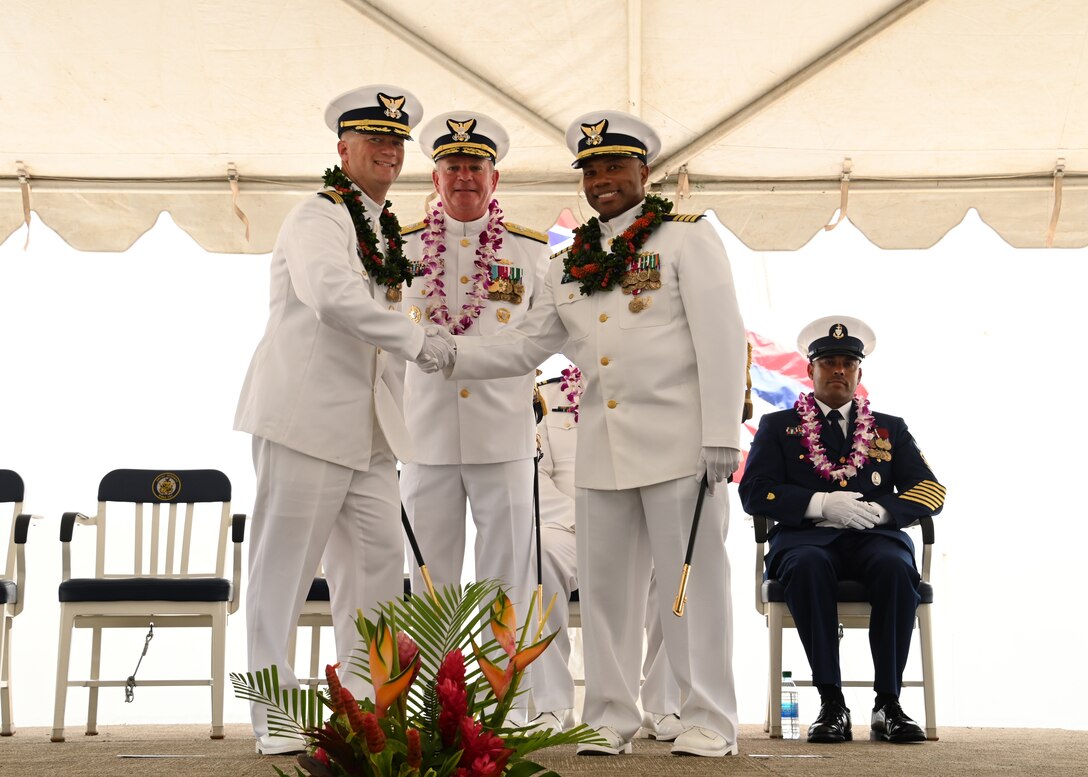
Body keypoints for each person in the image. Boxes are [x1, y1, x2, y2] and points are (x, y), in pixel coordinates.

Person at [423, 110, 748, 757]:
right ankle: (608, 714)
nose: (601, 179)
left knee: (691, 586)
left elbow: (722, 335)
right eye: (591, 169)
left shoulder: (686, 239)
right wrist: (453, 353)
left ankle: (709, 713)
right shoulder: (569, 262)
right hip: (603, 452)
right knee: (604, 593)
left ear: (643, 172)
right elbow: (528, 344)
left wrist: (722, 433)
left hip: (681, 446)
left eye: (613, 166)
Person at [234, 84, 453, 755]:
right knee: (284, 572)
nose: (388, 150)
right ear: (343, 149)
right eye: (374, 139)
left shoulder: (385, 230)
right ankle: (274, 715)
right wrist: (419, 341)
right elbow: (331, 297)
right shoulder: (317, 217)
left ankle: (365, 710)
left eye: (396, 142)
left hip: (369, 434)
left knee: (379, 571)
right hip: (304, 423)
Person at [738, 316, 946, 745]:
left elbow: (930, 490)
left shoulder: (889, 427)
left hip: (874, 538)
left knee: (894, 568)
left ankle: (888, 704)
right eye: (828, 362)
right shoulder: (779, 427)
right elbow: (754, 492)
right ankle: (831, 703)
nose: (838, 371)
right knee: (810, 565)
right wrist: (819, 503)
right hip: (805, 539)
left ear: (859, 373)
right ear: (810, 371)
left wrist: (882, 512)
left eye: (847, 364)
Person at [399, 111, 549, 650]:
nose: (464, 177)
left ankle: (506, 709)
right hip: (423, 436)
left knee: (507, 581)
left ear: (495, 179)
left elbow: (538, 337)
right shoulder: (402, 247)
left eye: (475, 167)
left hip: (502, 437)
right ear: (435, 180)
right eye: (453, 166)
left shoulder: (530, 252)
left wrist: (454, 352)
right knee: (430, 582)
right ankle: (436, 707)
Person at [527, 367, 682, 741]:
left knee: (672, 567)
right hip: (569, 528)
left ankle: (663, 704)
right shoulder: (549, 396)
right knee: (539, 553)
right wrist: (583, 521)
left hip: (636, 525)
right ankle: (552, 702)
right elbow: (535, 474)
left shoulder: (648, 387)